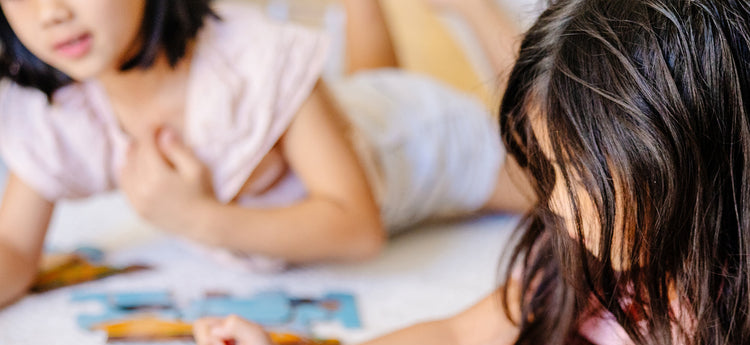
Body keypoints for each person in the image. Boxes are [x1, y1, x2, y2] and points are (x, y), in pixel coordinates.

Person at [195, 0, 750, 345]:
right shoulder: (592, 251)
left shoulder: (727, 276)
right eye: (549, 171)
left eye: (576, 175)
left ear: (687, 167)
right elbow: (457, 336)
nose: (552, 203)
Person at [0, 0, 528, 308]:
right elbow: (14, 251)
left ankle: (474, 8)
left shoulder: (251, 59)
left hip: (421, 136)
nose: (52, 14)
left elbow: (358, 227)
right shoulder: (60, 107)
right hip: (354, 119)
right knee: (361, 98)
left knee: (553, 172)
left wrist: (196, 218)